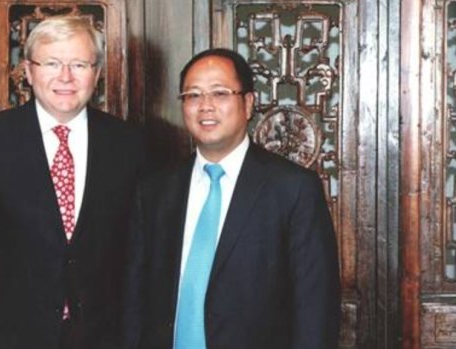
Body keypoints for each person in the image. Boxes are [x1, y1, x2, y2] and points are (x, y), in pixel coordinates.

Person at [0, 15, 144, 349]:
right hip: (6, 337)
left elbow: (139, 257)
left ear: (97, 74)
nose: (65, 77)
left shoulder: (130, 145)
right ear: (28, 72)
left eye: (79, 64)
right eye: (51, 63)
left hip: (103, 337)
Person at [123, 48, 340, 349]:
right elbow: (135, 298)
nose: (205, 106)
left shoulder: (293, 189)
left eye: (220, 93)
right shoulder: (155, 191)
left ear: (248, 103)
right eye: (193, 95)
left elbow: (315, 306)